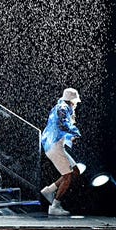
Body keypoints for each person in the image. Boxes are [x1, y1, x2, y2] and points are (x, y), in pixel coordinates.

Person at [40, 88, 82, 216]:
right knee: (68, 176)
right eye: (75, 102)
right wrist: (75, 132)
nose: (76, 104)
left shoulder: (63, 108)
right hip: (54, 146)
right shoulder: (62, 108)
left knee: (75, 171)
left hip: (57, 145)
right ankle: (55, 206)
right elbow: (63, 125)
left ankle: (49, 190)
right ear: (71, 101)